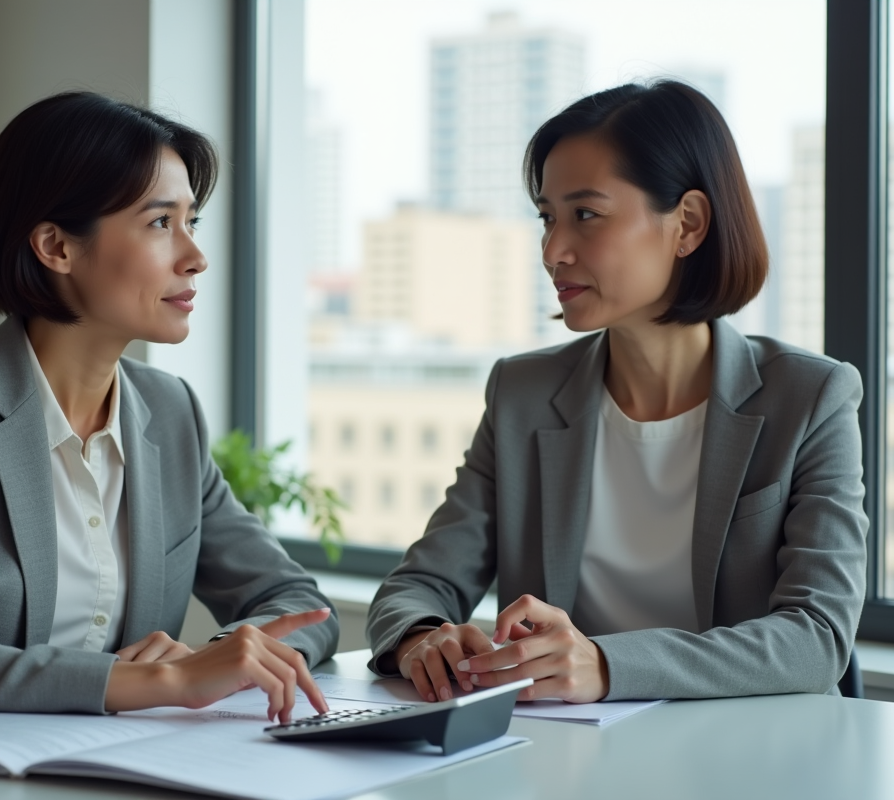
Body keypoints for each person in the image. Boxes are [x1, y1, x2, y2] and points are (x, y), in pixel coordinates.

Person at [0, 92, 337, 727]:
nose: (195, 256)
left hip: (79, 767)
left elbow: (297, 602)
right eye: (161, 223)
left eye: (192, 222)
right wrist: (154, 681)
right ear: (56, 246)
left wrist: (222, 655)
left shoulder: (170, 412)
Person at [367, 81, 867, 704]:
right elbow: (419, 585)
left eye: (586, 214)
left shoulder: (810, 396)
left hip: (751, 757)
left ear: (687, 224)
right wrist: (422, 636)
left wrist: (607, 665)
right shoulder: (523, 392)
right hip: (568, 757)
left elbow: (816, 637)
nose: (552, 251)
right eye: (547, 218)